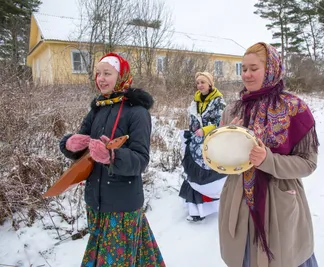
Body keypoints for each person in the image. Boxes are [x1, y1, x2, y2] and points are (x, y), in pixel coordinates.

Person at [218, 42, 319, 267]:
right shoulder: (232, 109)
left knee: (282, 258)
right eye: (243, 69)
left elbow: (308, 163)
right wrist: (226, 138)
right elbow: (220, 160)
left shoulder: (294, 108)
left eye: (253, 68)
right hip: (238, 199)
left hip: (278, 202)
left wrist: (268, 161)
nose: (247, 74)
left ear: (271, 68)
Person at [59, 53, 165, 266]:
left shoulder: (137, 112)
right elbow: (83, 146)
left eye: (107, 73)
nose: (101, 78)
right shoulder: (98, 108)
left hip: (122, 205)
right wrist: (70, 144)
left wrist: (112, 156)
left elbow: (141, 160)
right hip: (96, 202)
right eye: (98, 73)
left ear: (122, 75)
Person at [179, 72, 227, 222]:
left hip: (212, 143)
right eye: (198, 82)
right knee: (194, 175)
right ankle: (196, 210)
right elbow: (193, 121)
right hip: (196, 145)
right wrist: (191, 133)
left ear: (210, 84)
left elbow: (221, 122)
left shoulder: (218, 101)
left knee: (210, 175)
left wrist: (205, 130)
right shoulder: (196, 102)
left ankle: (215, 205)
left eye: (203, 82)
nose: (200, 85)